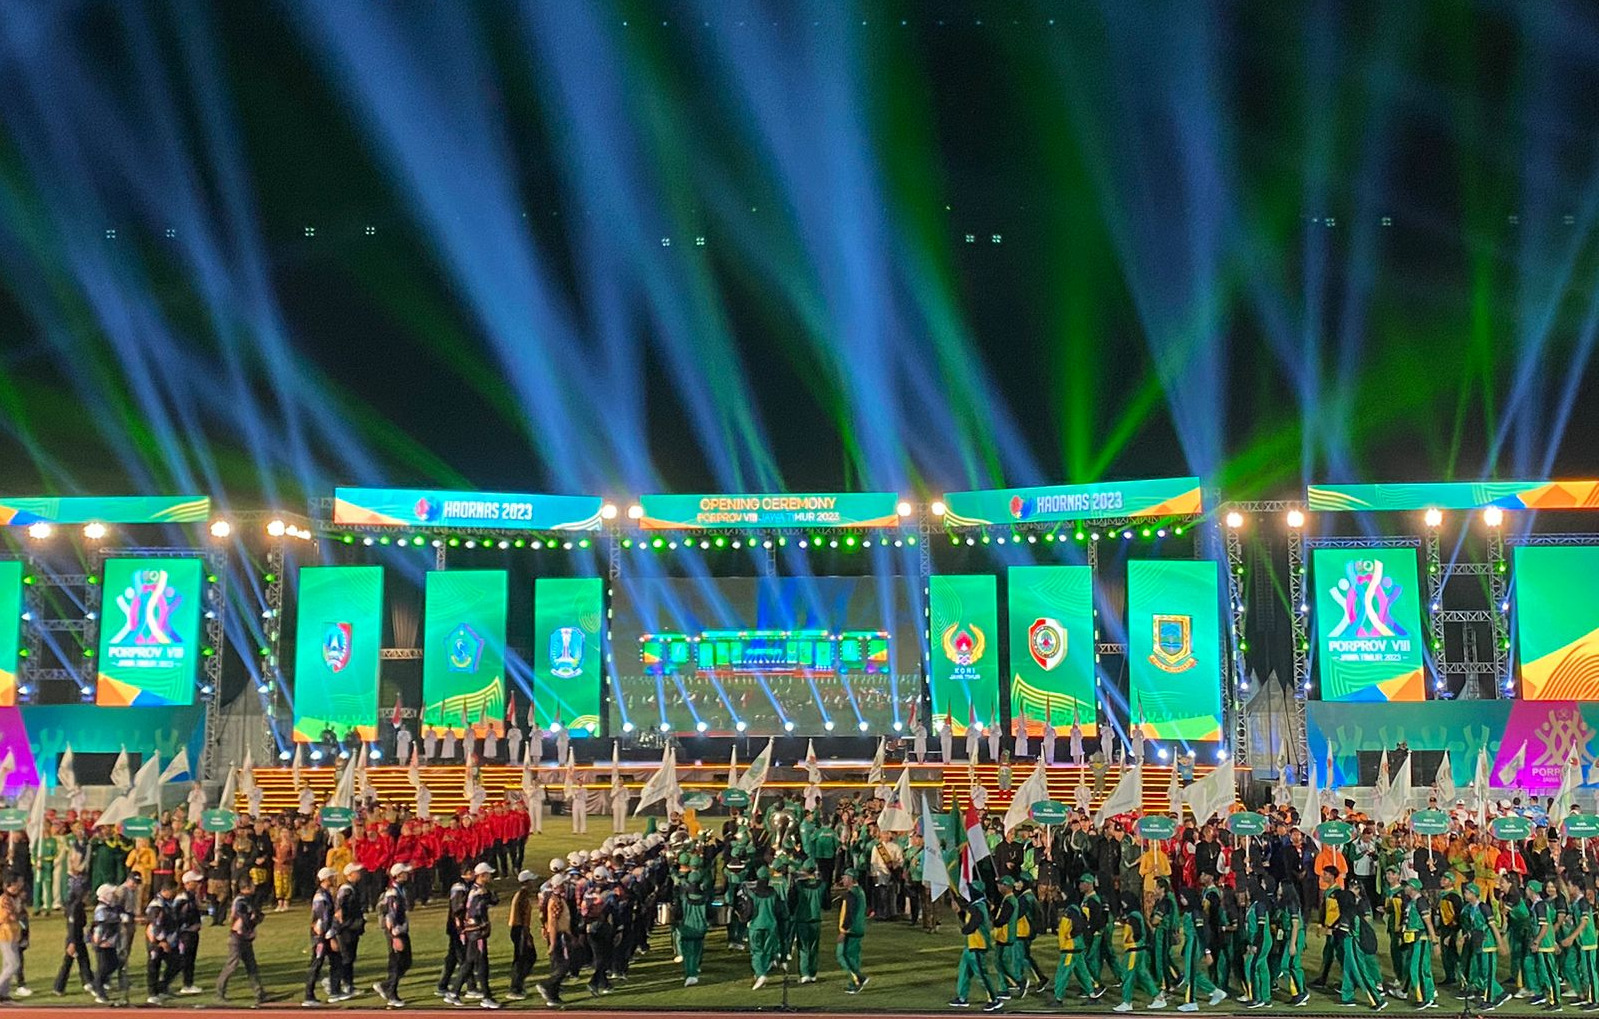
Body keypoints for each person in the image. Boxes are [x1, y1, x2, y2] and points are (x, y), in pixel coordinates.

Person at [445, 862, 500, 1008]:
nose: (490, 876)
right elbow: (474, 913)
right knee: (482, 965)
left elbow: (494, 901)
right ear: (482, 875)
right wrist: (481, 925)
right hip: (477, 933)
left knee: (469, 963)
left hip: (475, 933)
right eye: (488, 874)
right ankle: (486, 996)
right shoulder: (476, 893)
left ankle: (454, 992)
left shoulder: (480, 890)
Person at [951, 882, 1003, 1010]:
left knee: (982, 974)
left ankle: (994, 999)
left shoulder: (978, 907)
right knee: (964, 973)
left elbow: (973, 924)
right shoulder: (977, 905)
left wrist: (964, 930)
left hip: (977, 946)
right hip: (971, 945)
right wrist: (959, 912)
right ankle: (962, 997)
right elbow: (970, 920)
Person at [215, 877, 267, 1005]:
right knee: (232, 965)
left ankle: (259, 992)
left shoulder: (248, 900)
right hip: (237, 937)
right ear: (247, 887)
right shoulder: (241, 901)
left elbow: (256, 916)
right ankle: (219, 991)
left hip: (245, 937)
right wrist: (253, 919)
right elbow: (244, 917)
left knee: (251, 965)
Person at [1113, 892, 1165, 1012]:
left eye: (1123, 901)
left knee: (1127, 976)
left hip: (1133, 951)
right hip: (1141, 950)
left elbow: (1136, 933)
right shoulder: (1138, 914)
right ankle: (1158, 997)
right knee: (1143, 975)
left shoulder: (1133, 916)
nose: (1122, 903)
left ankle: (1127, 1002)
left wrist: (1129, 939)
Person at [1050, 892, 1103, 1004]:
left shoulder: (1071, 911)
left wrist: (1069, 936)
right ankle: (1093, 994)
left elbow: (1077, 926)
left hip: (1070, 948)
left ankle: (1058, 998)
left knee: (1063, 973)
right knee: (1082, 973)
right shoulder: (1077, 910)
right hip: (1076, 948)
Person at [375, 863, 412, 1007]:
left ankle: (387, 985)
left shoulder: (400, 890)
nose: (407, 875)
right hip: (396, 932)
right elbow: (391, 915)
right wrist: (395, 936)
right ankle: (392, 993)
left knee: (406, 961)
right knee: (397, 961)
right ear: (398, 875)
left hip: (401, 930)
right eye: (404, 873)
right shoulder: (393, 893)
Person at [303, 866, 339, 1007]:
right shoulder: (321, 897)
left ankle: (334, 989)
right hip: (321, 937)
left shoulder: (326, 894)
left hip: (324, 935)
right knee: (317, 963)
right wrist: (330, 937)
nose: (334, 879)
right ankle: (309, 994)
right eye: (332, 877)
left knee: (336, 960)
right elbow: (321, 920)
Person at [53, 877, 94, 997]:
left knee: (84, 960)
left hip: (78, 937)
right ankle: (58, 987)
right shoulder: (75, 907)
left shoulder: (78, 906)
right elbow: (72, 926)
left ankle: (88, 981)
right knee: (68, 963)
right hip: (74, 939)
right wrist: (72, 942)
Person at [748, 866, 787, 990]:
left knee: (756, 951)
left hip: (756, 926)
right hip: (771, 925)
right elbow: (778, 909)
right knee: (767, 951)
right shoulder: (773, 893)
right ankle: (761, 973)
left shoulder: (752, 893)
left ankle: (761, 974)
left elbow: (748, 910)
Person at [143, 874, 179, 1004]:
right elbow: (155, 924)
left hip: (169, 939)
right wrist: (162, 941)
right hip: (156, 941)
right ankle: (152, 993)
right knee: (154, 965)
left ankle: (162, 987)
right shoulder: (157, 905)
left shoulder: (167, 903)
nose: (174, 894)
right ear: (166, 890)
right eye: (172, 891)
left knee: (176, 963)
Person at [334, 861, 366, 1001]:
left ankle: (346, 983)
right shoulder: (346, 890)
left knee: (350, 957)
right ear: (350, 874)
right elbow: (340, 910)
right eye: (357, 872)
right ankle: (344, 983)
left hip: (351, 927)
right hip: (347, 929)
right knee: (347, 957)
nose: (359, 874)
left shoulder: (351, 888)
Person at [791, 859, 827, 984]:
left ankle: (804, 973)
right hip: (816, 919)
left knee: (803, 947)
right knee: (814, 947)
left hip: (802, 919)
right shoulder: (822, 885)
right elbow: (826, 904)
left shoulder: (799, 885)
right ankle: (813, 973)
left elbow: (792, 901)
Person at [507, 869, 538, 1000]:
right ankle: (515, 987)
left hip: (520, 929)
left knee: (527, 957)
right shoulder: (522, 896)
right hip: (520, 930)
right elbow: (521, 917)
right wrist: (526, 935)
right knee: (522, 958)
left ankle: (518, 982)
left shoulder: (522, 895)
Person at [835, 869, 868, 993]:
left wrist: (843, 931)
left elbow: (849, 914)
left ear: (851, 879)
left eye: (845, 877)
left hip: (851, 931)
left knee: (842, 955)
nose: (843, 880)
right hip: (859, 928)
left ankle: (857, 980)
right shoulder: (860, 891)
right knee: (853, 957)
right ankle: (855, 980)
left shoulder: (851, 894)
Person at [89, 883, 122, 1004]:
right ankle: (99, 991)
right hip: (103, 943)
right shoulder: (101, 910)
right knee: (103, 967)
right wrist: (99, 941)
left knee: (114, 964)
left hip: (111, 942)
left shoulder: (112, 908)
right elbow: (99, 926)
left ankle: (96, 985)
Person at [173, 869, 204, 995]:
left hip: (192, 932)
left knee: (190, 959)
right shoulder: (182, 898)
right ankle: (185, 984)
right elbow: (177, 916)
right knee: (185, 959)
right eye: (195, 882)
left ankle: (188, 983)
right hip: (185, 933)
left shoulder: (191, 896)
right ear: (188, 883)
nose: (198, 884)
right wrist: (188, 926)